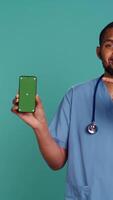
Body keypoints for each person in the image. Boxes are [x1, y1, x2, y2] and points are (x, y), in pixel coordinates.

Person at [12, 22, 113, 200]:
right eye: (109, 45)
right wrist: (40, 126)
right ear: (99, 52)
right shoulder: (76, 95)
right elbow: (56, 161)